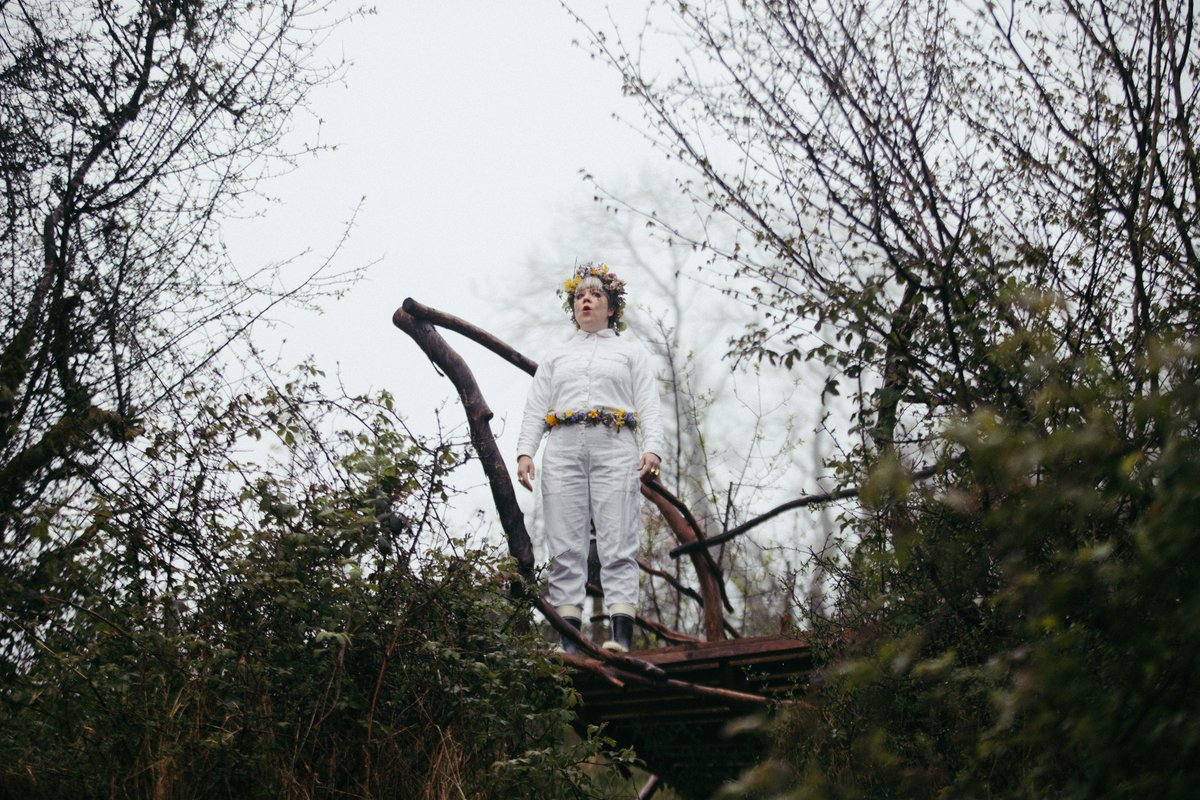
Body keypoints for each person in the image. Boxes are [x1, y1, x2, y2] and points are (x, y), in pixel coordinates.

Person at [516, 263, 664, 653]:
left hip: (615, 448)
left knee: (618, 539)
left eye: (596, 295)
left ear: (612, 307)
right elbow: (536, 407)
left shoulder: (631, 352)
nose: (587, 300)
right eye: (580, 295)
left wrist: (653, 447)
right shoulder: (556, 356)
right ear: (573, 306)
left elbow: (649, 403)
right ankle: (570, 644)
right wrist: (526, 451)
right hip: (562, 449)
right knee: (565, 544)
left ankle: (620, 640)